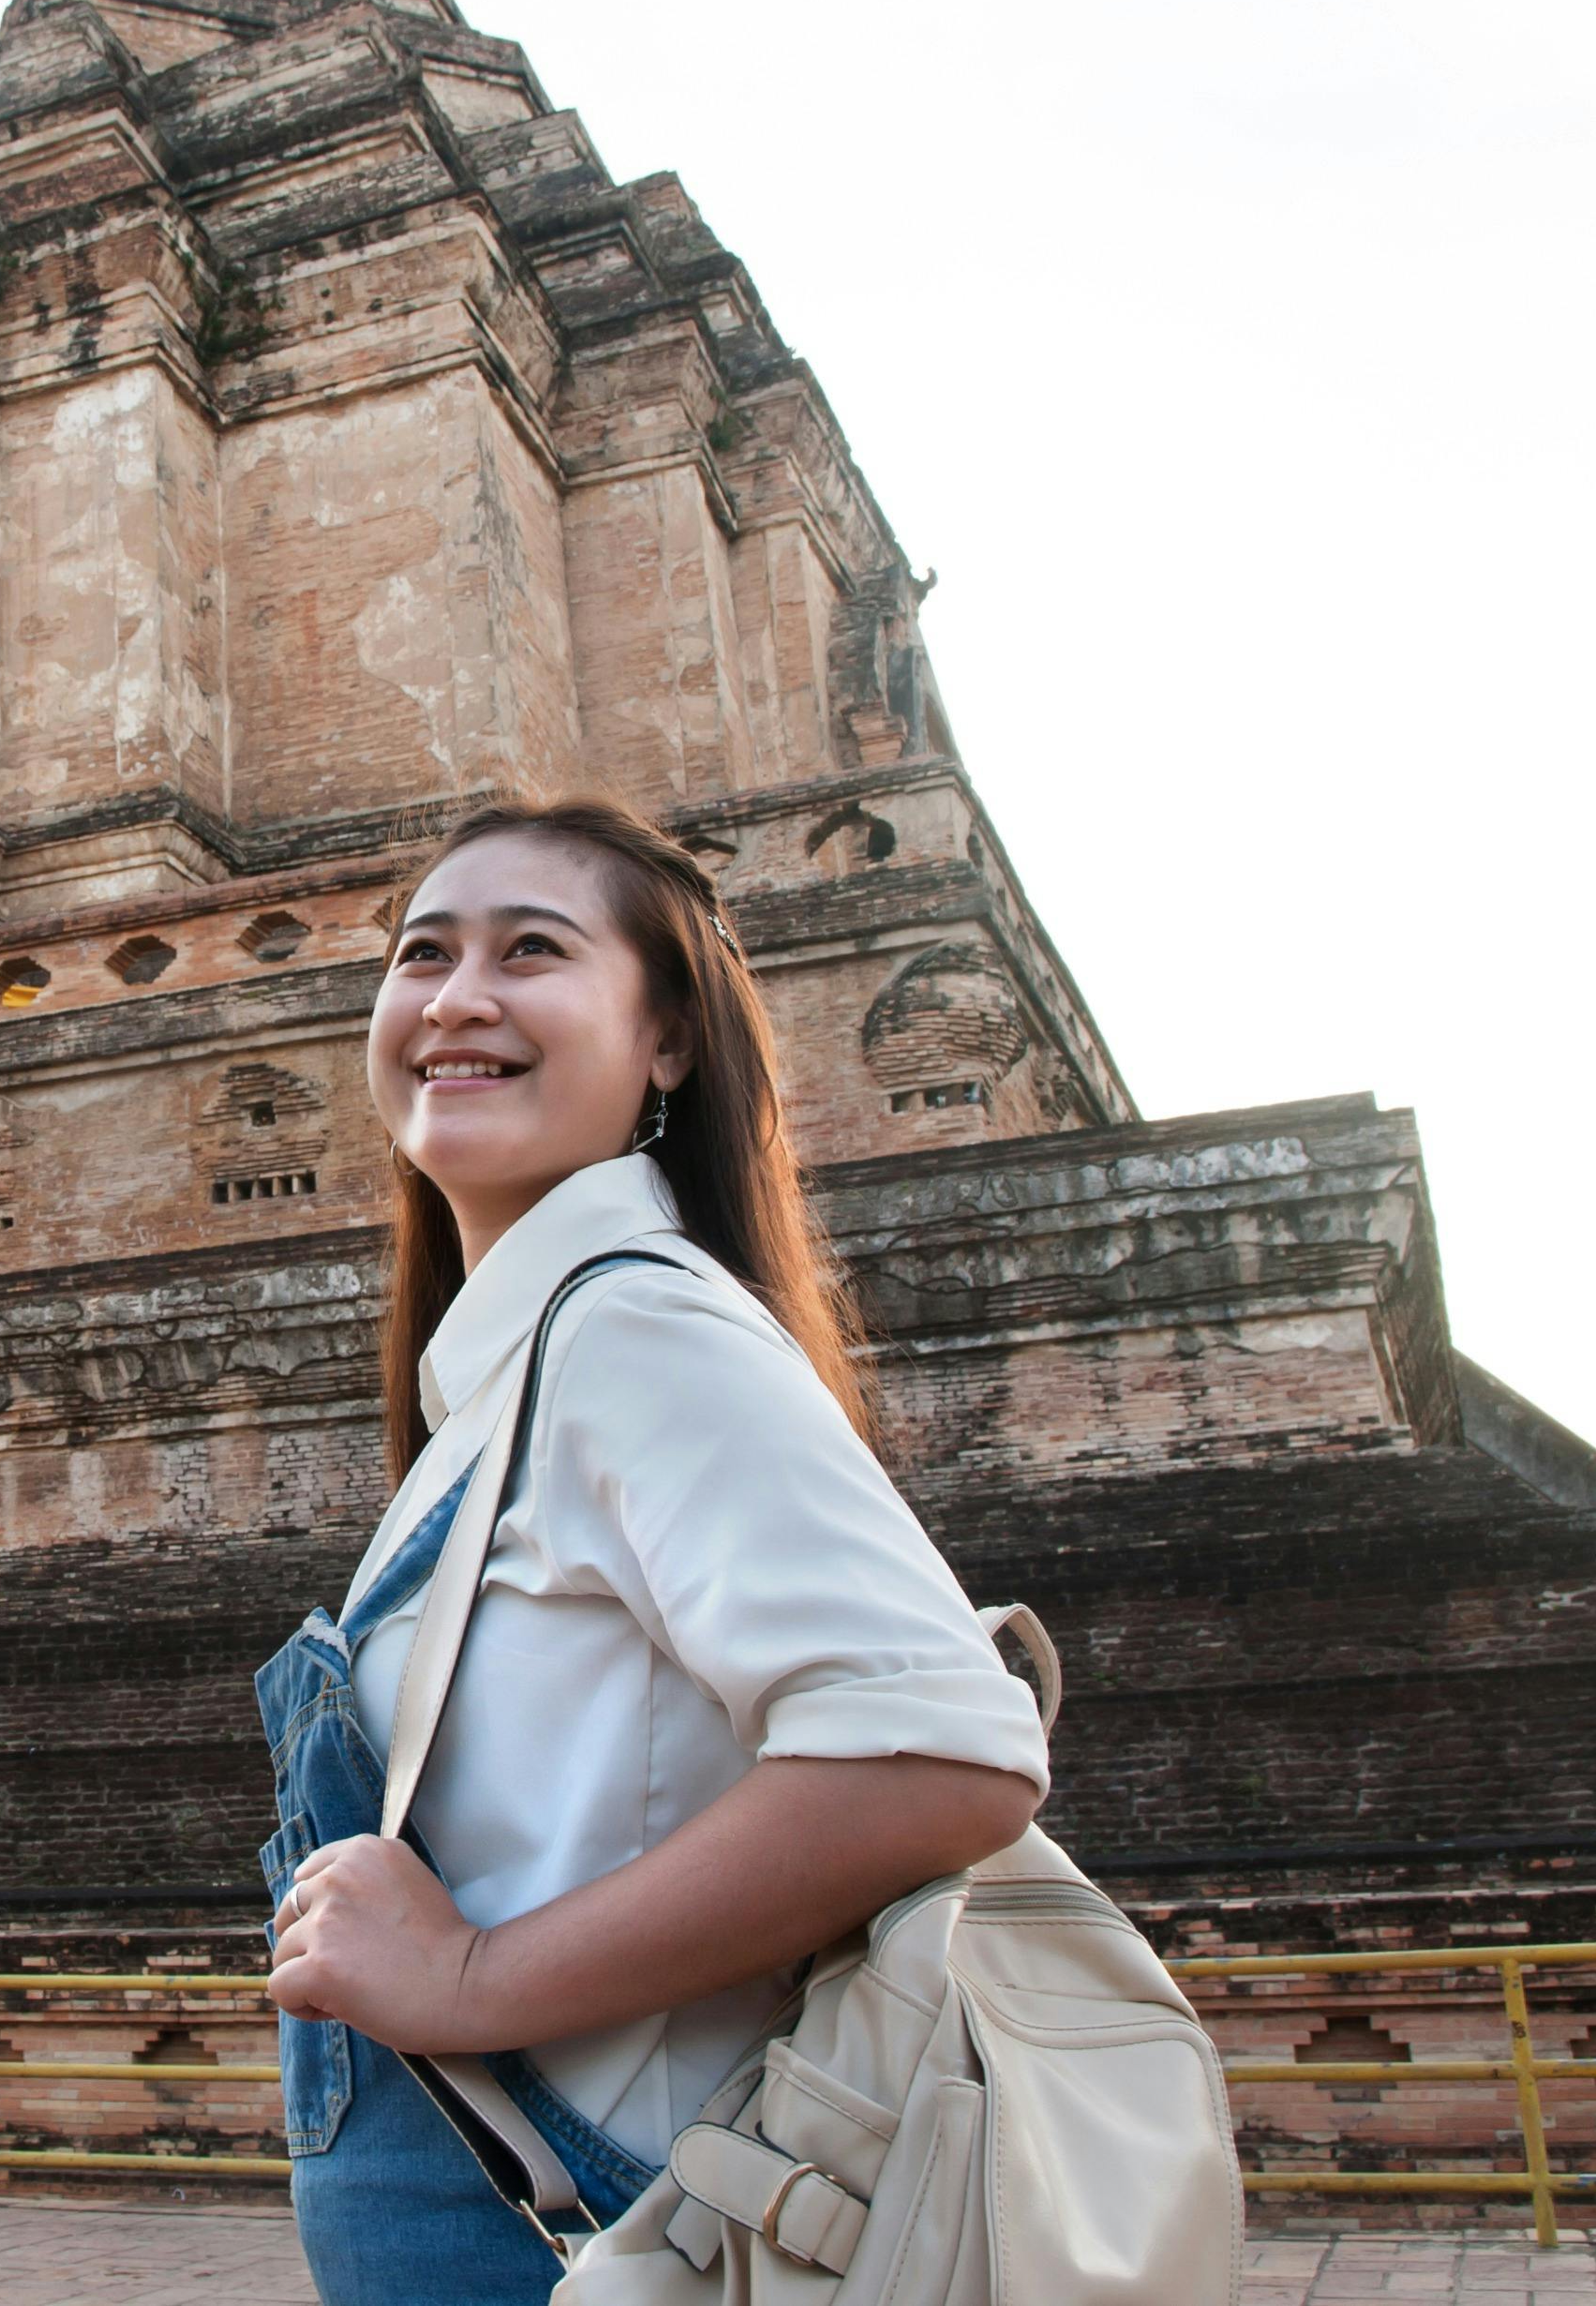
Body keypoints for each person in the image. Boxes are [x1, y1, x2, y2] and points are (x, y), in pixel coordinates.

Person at [259, 800, 1050, 2303]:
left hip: (596, 2232)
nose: (456, 994)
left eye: (531, 950)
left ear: (667, 1036)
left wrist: (471, 1980)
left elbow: (943, 1749)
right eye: (422, 952)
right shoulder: (509, 1379)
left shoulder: (631, 1322)